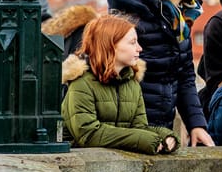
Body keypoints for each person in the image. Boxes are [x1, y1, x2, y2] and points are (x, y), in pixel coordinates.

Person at [108, 0, 214, 146]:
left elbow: (185, 76)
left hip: (162, 130)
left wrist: (196, 124)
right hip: (131, 133)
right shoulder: (131, 20)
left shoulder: (179, 20)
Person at [61, 14, 179, 155]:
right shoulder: (81, 83)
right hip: (82, 168)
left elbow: (139, 127)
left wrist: (165, 135)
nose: (139, 48)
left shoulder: (132, 83)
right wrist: (143, 139)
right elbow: (88, 134)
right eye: (132, 42)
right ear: (111, 45)